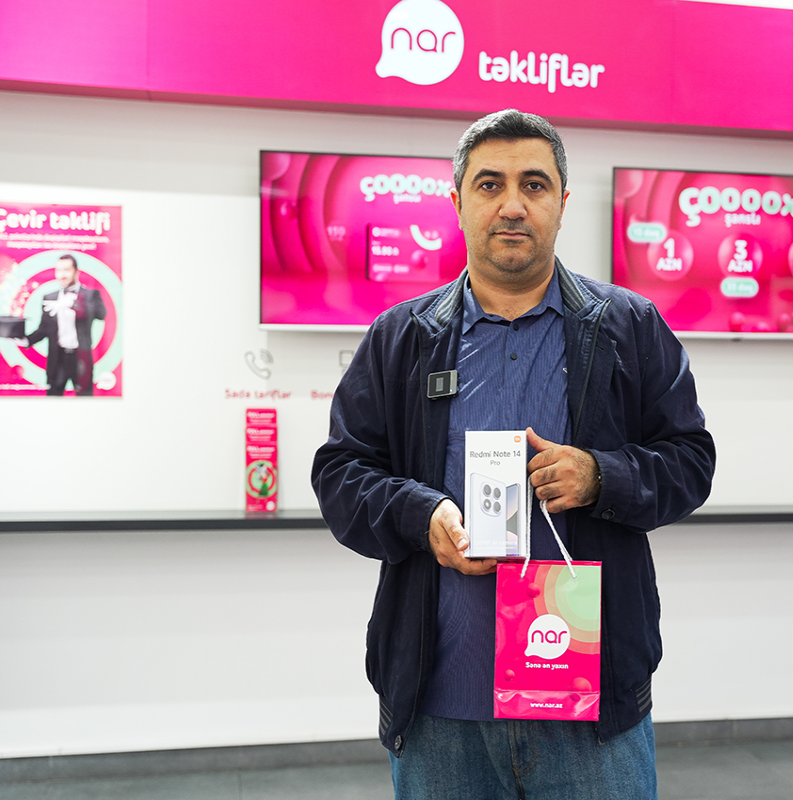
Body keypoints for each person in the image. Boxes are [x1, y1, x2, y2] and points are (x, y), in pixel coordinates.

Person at [311, 109, 715, 799]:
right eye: (489, 184)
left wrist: (602, 476)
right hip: (441, 706)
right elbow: (341, 473)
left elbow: (691, 460)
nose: (512, 205)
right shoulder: (400, 338)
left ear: (562, 200)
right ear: (457, 201)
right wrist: (421, 516)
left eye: (533, 184)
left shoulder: (630, 327)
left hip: (590, 705)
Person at [16, 254, 107, 396]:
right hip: (57, 359)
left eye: (66, 270)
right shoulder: (50, 298)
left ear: (76, 272)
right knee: (53, 399)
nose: (62, 275)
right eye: (58, 270)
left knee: (85, 400)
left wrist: (75, 302)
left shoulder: (90, 295)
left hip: (81, 359)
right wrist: (27, 340)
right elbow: (44, 329)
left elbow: (101, 314)